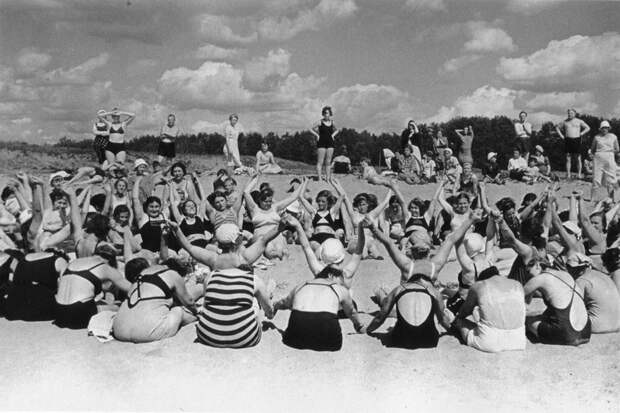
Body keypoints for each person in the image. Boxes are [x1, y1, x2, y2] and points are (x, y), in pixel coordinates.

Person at [113, 259, 199, 343]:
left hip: (119, 329)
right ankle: (197, 319)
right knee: (178, 310)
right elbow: (189, 301)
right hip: (148, 332)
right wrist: (196, 312)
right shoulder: (173, 274)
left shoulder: (139, 276)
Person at [54, 245, 131, 329]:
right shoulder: (105, 267)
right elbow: (130, 288)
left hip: (59, 313)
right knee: (118, 306)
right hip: (78, 316)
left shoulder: (74, 262)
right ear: (109, 261)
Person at [453, 266, 526, 353]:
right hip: (518, 340)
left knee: (460, 321)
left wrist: (457, 318)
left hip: (490, 342)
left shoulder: (480, 285)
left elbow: (465, 311)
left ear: (483, 279)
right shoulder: (517, 284)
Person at [523, 256, 591, 346]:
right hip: (586, 331)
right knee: (549, 314)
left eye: (529, 271)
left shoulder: (540, 279)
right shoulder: (565, 274)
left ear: (537, 266)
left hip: (568, 335)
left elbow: (517, 296)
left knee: (529, 321)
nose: (529, 275)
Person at [3, 249, 68, 321]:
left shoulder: (24, 258)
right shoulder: (60, 261)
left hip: (13, 309)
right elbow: (65, 291)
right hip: (40, 310)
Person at [567, 253, 620, 334]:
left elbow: (573, 306)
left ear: (576, 269)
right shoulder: (603, 275)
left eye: (569, 267)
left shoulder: (581, 280)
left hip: (598, 326)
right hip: (617, 324)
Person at [555, 108, 591, 180]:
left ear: (575, 114)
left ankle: (579, 174)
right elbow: (557, 128)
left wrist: (581, 133)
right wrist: (562, 136)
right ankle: (568, 174)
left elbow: (588, 128)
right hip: (568, 140)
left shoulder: (579, 121)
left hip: (577, 140)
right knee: (568, 158)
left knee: (578, 158)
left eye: (571, 113)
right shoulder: (565, 122)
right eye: (568, 113)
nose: (569, 114)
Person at [589, 120, 619, 201]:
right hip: (598, 157)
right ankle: (593, 198)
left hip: (609, 157)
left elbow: (617, 149)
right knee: (596, 178)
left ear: (608, 128)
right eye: (603, 128)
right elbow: (592, 149)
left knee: (611, 178)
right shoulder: (596, 137)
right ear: (600, 128)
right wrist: (593, 155)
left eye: (606, 127)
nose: (604, 129)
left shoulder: (613, 136)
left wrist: (611, 152)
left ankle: (612, 198)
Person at [311, 106, 339, 182]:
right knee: (320, 161)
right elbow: (311, 129)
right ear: (323, 114)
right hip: (321, 142)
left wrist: (333, 135)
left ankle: (327, 178)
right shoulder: (320, 122)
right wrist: (317, 135)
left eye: (328, 113)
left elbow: (337, 130)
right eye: (325, 113)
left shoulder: (332, 122)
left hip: (330, 142)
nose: (327, 114)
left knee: (328, 162)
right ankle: (320, 178)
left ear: (330, 114)